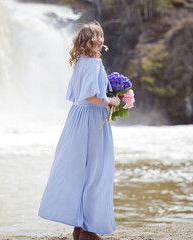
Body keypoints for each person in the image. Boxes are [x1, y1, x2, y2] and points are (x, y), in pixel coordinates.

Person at [38, 20, 120, 240]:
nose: (100, 41)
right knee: (95, 172)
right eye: (96, 37)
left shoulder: (81, 62)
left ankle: (79, 229)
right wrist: (110, 101)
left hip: (77, 119)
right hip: (91, 122)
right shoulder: (92, 64)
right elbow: (89, 96)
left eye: (101, 36)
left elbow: (76, 97)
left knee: (80, 172)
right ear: (87, 41)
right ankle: (88, 230)